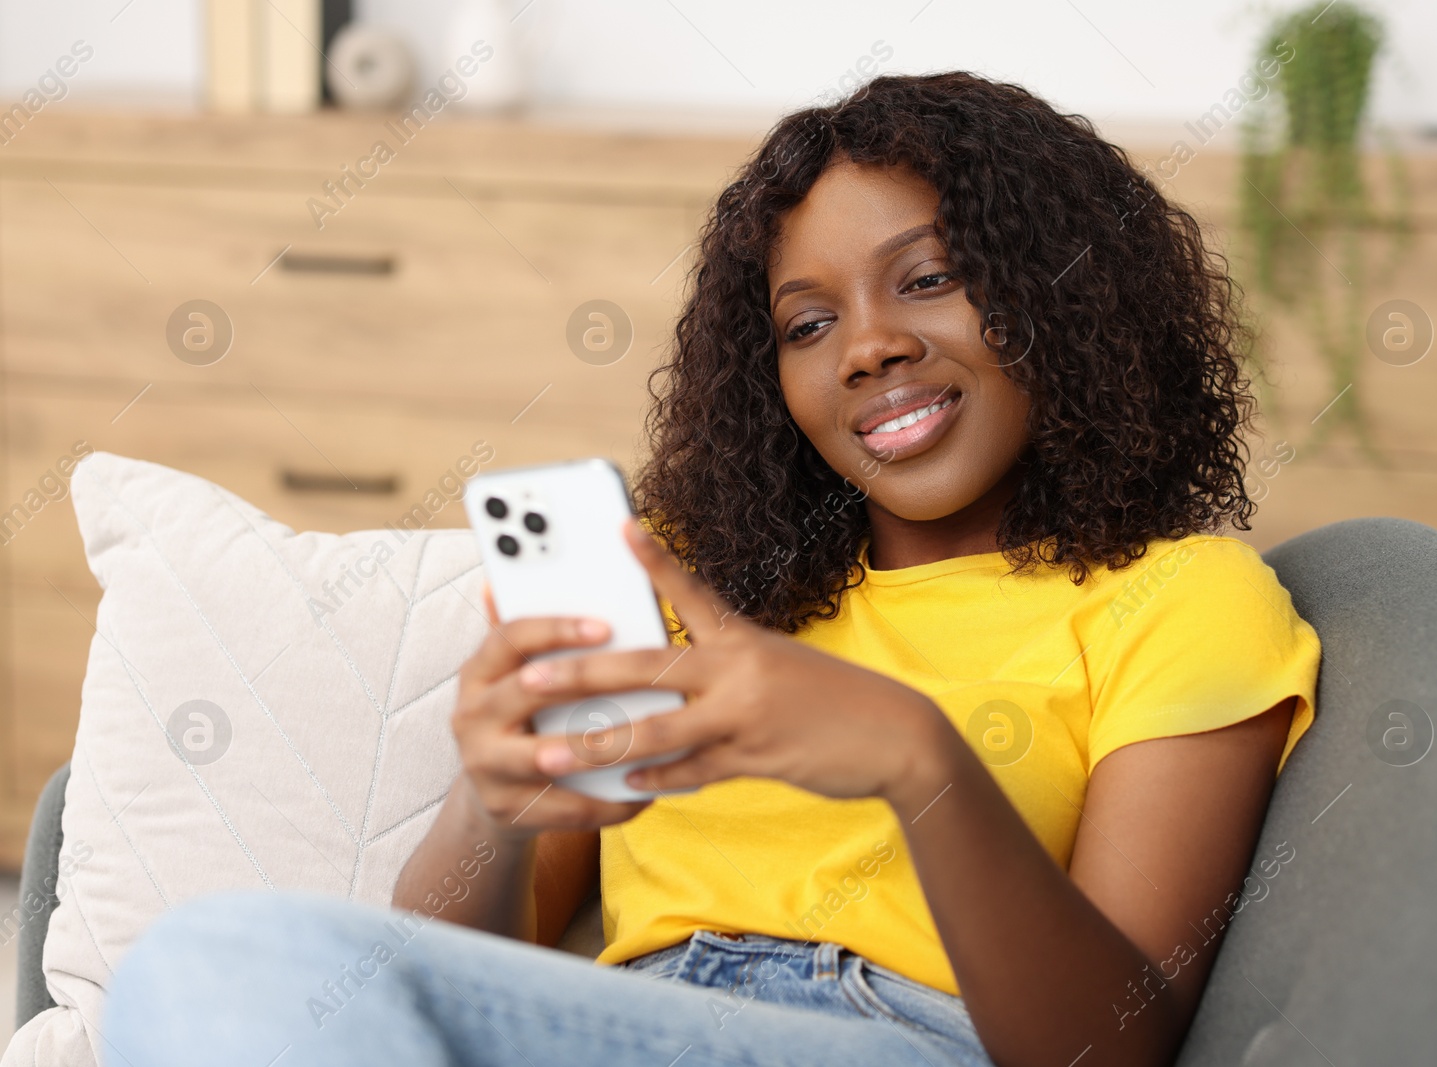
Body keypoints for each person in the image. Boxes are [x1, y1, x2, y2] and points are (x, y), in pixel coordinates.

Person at [100, 71, 1320, 1067]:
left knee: (217, 960)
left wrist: (917, 759)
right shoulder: (706, 589)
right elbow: (401, 990)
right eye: (807, 322)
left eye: (929, 277)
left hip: (897, 1035)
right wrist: (496, 805)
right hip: (624, 1018)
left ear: (1067, 292)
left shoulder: (1178, 597)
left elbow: (1110, 1049)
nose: (869, 346)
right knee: (223, 977)